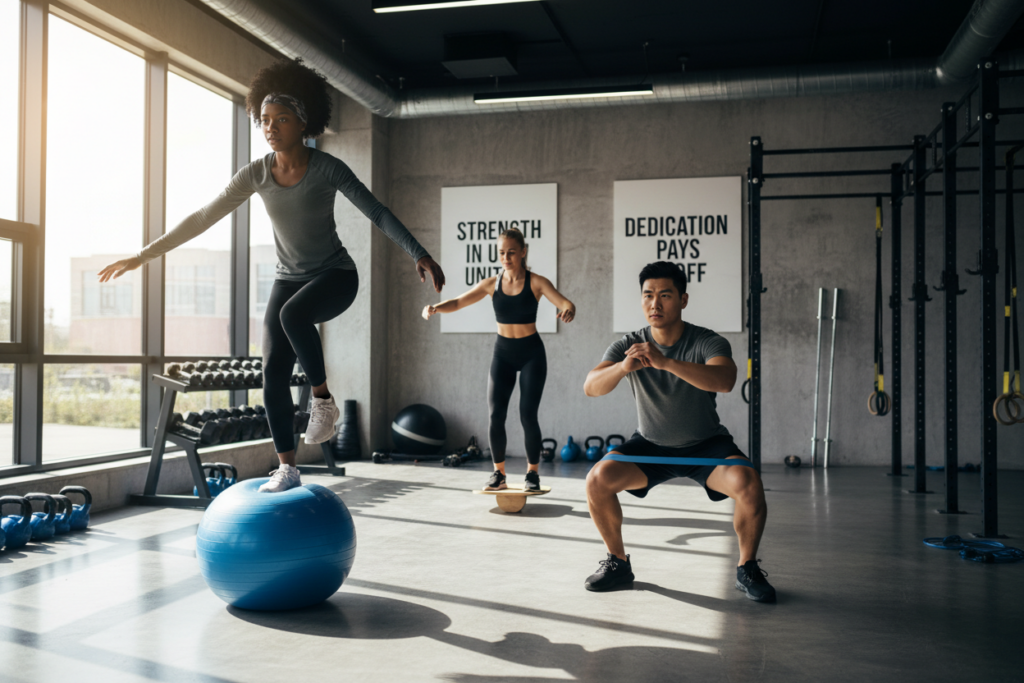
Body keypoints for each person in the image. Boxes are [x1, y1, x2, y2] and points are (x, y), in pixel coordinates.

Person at [98, 59, 444, 493]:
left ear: (304, 122)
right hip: (288, 278)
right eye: (264, 120)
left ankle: (322, 400)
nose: (271, 127)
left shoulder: (327, 168)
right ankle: (288, 467)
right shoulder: (256, 173)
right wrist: (142, 255)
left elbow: (376, 211)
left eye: (281, 119)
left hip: (336, 276)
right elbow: (203, 217)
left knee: (293, 315)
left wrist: (420, 252)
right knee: (272, 374)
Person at [581, 261, 774, 602]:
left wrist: (665, 362)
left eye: (665, 295)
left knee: (748, 483)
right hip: (651, 445)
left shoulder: (706, 341)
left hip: (706, 445)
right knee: (597, 480)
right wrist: (624, 366)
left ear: (683, 300)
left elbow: (725, 381)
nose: (655, 304)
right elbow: (591, 387)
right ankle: (618, 563)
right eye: (648, 295)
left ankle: (747, 568)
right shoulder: (629, 345)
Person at [422, 228, 575, 492]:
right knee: (495, 415)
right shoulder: (491, 284)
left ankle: (532, 474)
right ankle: (498, 474)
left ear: (523, 252)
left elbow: (565, 302)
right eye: (502, 252)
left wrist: (568, 310)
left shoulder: (536, 282)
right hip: (502, 354)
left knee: (528, 415)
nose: (506, 257)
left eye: (511, 252)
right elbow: (458, 302)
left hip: (531, 355)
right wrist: (435, 307)